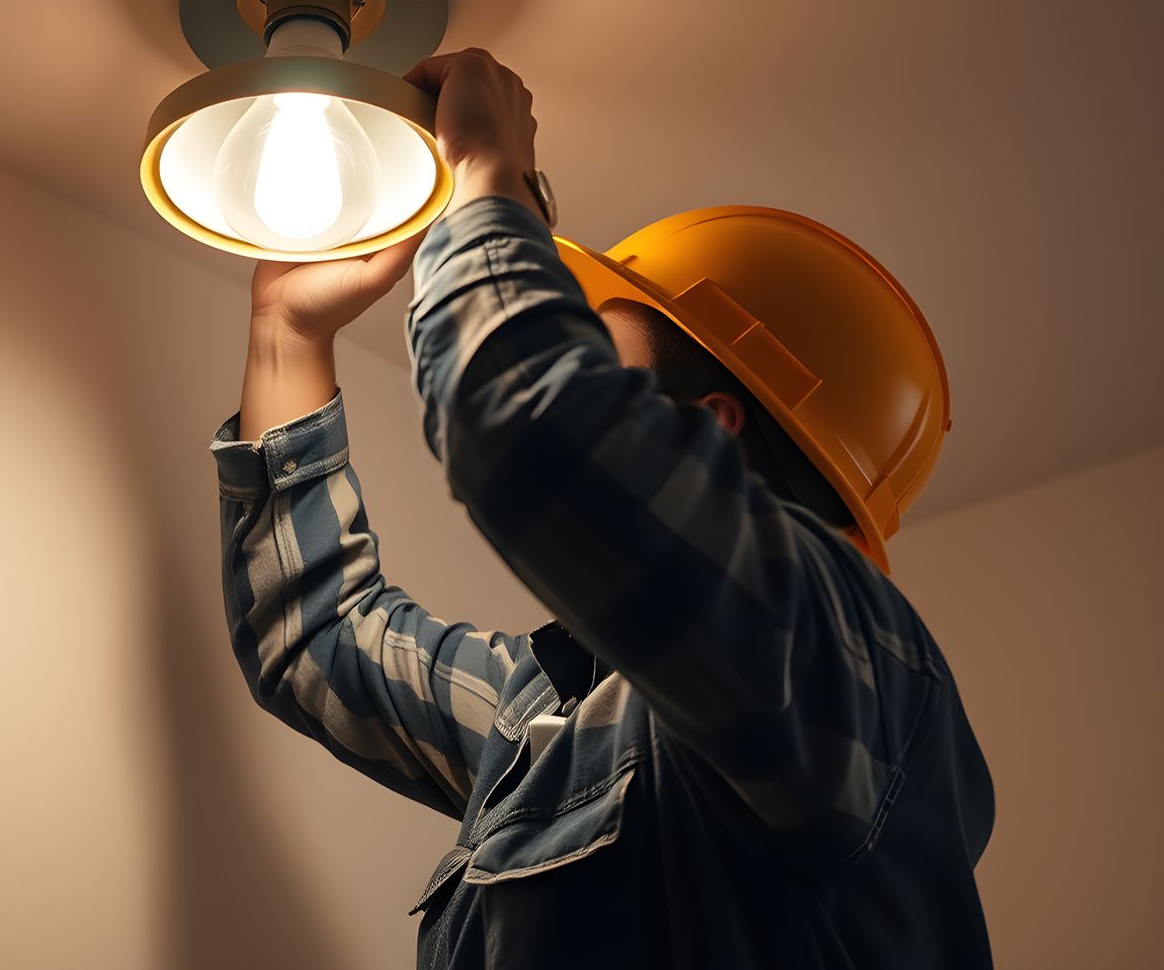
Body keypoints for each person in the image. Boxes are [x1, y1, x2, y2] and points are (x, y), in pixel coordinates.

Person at [208, 48, 994, 968]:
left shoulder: (843, 669)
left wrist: (489, 176)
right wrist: (286, 332)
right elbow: (316, 636)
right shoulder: (556, 713)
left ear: (711, 431)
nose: (566, 363)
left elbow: (529, 428)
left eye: (595, 357)